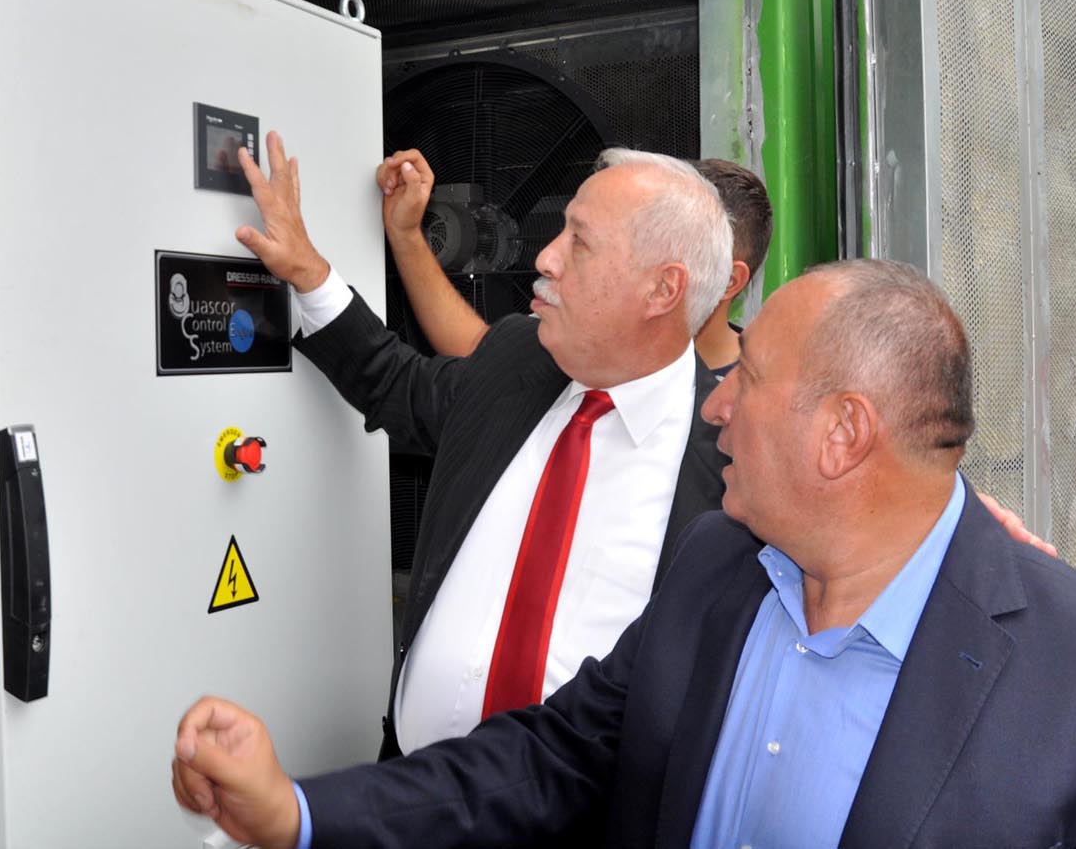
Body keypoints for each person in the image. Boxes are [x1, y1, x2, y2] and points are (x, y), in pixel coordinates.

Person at [172, 259, 1076, 849]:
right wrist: (298, 811)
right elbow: (548, 756)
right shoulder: (716, 567)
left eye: (747, 378)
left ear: (843, 434)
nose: (715, 404)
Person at [234, 132, 735, 758]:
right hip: (409, 785)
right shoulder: (518, 359)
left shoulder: (732, 471)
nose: (546, 258)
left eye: (579, 241)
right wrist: (308, 272)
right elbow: (397, 385)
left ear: (663, 290)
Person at [375, 151, 773, 375]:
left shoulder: (744, 406)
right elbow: (478, 354)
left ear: (729, 280)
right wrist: (407, 234)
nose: (547, 259)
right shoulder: (582, 336)